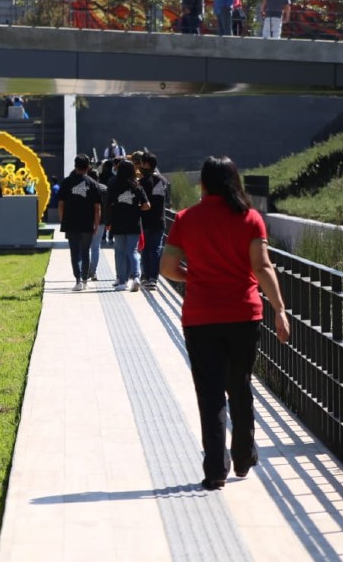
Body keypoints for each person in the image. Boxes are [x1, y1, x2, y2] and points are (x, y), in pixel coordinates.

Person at [160, 156, 290, 490]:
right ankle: (244, 456)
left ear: (203, 184)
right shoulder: (251, 219)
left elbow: (167, 267)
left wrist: (194, 276)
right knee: (240, 384)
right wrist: (280, 309)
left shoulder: (186, 219)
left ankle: (215, 469)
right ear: (236, 182)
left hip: (200, 317)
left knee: (210, 393)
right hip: (243, 315)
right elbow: (262, 267)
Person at [57, 154, 102, 291]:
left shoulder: (66, 182)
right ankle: (84, 281)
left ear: (75, 166)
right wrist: (96, 224)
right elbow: (97, 208)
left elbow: (61, 204)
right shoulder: (93, 184)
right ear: (88, 167)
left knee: (74, 252)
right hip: (87, 223)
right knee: (85, 251)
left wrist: (62, 220)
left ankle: (77, 280)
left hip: (70, 223)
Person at [106, 159, 150, 292]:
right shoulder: (137, 186)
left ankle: (122, 281)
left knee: (119, 252)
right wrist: (137, 208)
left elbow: (108, 204)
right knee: (133, 251)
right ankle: (136, 277)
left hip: (118, 222)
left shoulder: (112, 184)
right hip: (134, 223)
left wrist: (108, 222)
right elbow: (147, 205)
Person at [139, 151, 171, 290]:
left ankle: (146, 277)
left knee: (145, 250)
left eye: (141, 163)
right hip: (160, 220)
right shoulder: (164, 181)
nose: (140, 165)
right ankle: (154, 278)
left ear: (146, 164)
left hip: (145, 221)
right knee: (156, 249)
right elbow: (168, 202)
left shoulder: (142, 182)